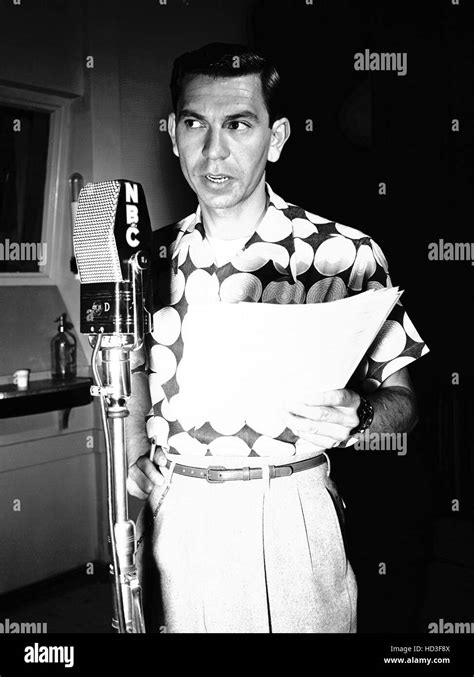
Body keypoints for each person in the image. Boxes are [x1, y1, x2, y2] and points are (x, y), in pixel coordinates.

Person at [125, 42, 429, 633]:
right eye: (196, 124)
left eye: (239, 124)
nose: (214, 151)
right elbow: (131, 378)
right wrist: (139, 451)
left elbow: (406, 405)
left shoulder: (345, 255)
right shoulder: (144, 261)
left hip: (295, 511)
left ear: (278, 136)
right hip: (181, 516)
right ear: (172, 134)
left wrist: (361, 416)